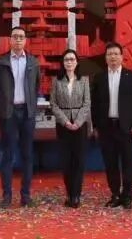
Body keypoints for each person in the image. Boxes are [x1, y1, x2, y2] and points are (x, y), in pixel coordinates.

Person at [91, 42, 132, 209]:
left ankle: (127, 196)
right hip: (106, 127)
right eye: (109, 54)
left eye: (115, 54)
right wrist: (95, 126)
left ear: (121, 57)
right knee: (110, 163)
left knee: (128, 163)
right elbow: (94, 105)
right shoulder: (99, 77)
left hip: (126, 127)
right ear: (105, 58)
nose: (112, 57)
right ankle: (115, 194)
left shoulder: (131, 76)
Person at [0, 26, 40, 208]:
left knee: (27, 154)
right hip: (9, 113)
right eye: (15, 37)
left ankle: (25, 195)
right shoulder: (1, 62)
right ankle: (6, 196)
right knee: (8, 154)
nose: (18, 40)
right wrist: (3, 105)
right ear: (10, 40)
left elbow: (36, 87)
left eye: (21, 37)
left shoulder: (33, 62)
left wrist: (31, 105)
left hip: (27, 113)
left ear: (25, 40)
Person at [49, 49, 91, 207]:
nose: (69, 62)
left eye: (72, 59)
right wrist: (66, 122)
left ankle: (76, 195)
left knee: (79, 160)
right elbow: (53, 104)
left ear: (77, 62)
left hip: (80, 125)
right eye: (66, 59)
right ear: (63, 62)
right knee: (66, 161)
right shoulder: (56, 81)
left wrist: (78, 122)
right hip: (63, 125)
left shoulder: (84, 80)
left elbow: (87, 104)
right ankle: (69, 194)